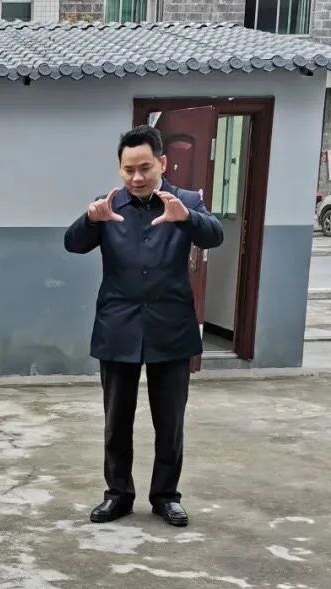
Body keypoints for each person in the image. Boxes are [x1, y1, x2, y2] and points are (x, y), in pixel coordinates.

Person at [65, 125, 224, 528]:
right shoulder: (108, 204)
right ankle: (118, 494)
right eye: (128, 169)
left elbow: (214, 236)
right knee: (116, 421)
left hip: (171, 327)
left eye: (145, 168)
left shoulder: (186, 201)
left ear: (162, 163)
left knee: (169, 422)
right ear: (120, 169)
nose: (136, 177)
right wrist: (90, 219)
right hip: (118, 326)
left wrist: (187, 218)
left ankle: (166, 496)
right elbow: (73, 243)